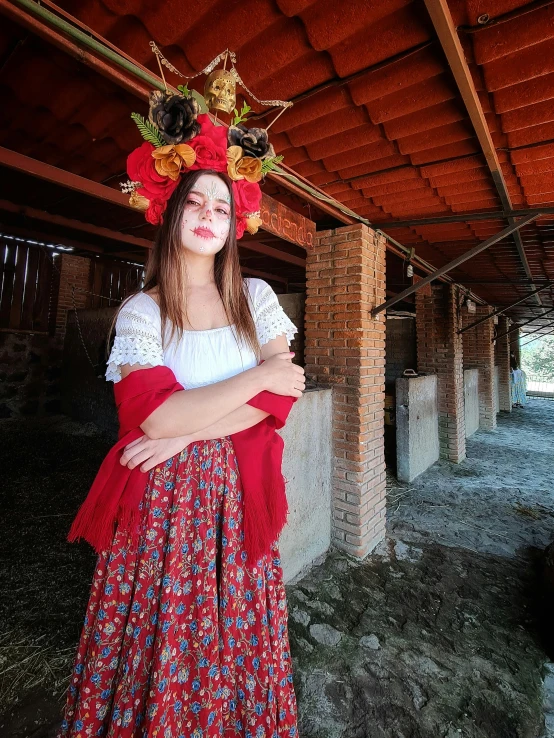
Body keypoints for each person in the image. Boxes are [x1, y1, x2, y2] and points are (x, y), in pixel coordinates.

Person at [59, 96, 304, 736]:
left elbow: (285, 396)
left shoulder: (256, 297)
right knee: (160, 634)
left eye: (221, 206)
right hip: (161, 507)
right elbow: (154, 418)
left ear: (234, 225)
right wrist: (252, 379)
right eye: (194, 201)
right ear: (169, 213)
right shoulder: (143, 311)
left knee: (238, 632)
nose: (207, 215)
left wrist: (185, 428)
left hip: (237, 496)